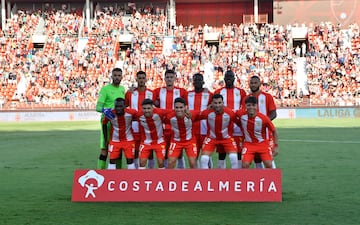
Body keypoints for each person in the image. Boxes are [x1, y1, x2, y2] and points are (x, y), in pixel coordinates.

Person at [154, 69, 188, 168]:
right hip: (163, 127)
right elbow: (151, 103)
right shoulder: (158, 91)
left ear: (175, 78)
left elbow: (186, 107)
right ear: (164, 78)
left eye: (171, 77)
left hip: (177, 126)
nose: (169, 79)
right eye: (167, 77)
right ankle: (165, 174)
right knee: (164, 151)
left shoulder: (181, 91)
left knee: (179, 152)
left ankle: (180, 173)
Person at [214, 70, 246, 168]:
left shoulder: (241, 92)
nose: (229, 79)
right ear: (224, 79)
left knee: (239, 151)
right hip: (223, 125)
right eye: (227, 77)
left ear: (234, 78)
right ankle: (221, 175)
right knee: (222, 152)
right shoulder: (218, 92)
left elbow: (243, 108)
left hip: (237, 125)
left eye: (231, 77)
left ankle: (238, 174)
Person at [235, 96, 279, 168]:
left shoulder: (263, 118)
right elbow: (230, 112)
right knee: (245, 165)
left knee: (268, 164)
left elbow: (274, 131)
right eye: (249, 105)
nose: (251, 107)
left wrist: (276, 146)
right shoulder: (241, 114)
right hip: (249, 144)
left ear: (257, 106)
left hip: (262, 144)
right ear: (245, 106)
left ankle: (268, 179)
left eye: (253, 105)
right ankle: (246, 179)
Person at [95, 68, 125, 169]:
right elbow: (98, 107)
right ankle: (100, 174)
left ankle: (118, 175)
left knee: (119, 149)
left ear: (122, 77)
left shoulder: (122, 89)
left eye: (119, 75)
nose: (117, 77)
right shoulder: (105, 89)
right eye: (115, 75)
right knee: (104, 149)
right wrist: (106, 111)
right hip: (107, 124)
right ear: (111, 76)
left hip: (119, 124)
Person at [198, 94, 239, 169]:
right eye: (215, 103)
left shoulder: (230, 113)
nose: (217, 105)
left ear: (223, 103)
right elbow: (195, 116)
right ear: (212, 104)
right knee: (204, 159)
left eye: (219, 103)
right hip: (211, 138)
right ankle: (205, 179)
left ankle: (234, 178)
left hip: (227, 138)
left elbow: (239, 122)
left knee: (233, 157)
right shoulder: (207, 113)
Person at [125, 70, 156, 168]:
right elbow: (126, 107)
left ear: (146, 79)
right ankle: (136, 173)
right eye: (140, 78)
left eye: (143, 78)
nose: (141, 80)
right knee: (136, 150)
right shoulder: (130, 93)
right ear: (136, 79)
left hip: (148, 126)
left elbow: (155, 108)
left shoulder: (152, 93)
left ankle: (150, 172)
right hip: (134, 126)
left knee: (150, 150)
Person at [247, 75, 277, 168]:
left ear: (260, 84)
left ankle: (273, 179)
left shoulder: (267, 97)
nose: (253, 85)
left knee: (268, 158)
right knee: (257, 159)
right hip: (252, 135)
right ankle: (261, 180)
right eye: (251, 83)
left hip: (266, 134)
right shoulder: (246, 98)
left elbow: (274, 113)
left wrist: (264, 122)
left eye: (255, 83)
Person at [102, 98, 137, 169]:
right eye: (116, 106)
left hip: (128, 140)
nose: (118, 108)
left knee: (130, 160)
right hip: (115, 141)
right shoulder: (110, 113)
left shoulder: (131, 113)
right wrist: (106, 139)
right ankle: (112, 178)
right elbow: (104, 124)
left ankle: (132, 178)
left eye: (120, 106)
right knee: (112, 160)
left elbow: (138, 120)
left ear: (124, 106)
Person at [187, 73, 213, 168]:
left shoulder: (209, 95)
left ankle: (209, 176)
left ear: (203, 82)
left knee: (206, 157)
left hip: (206, 131)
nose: (197, 82)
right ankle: (196, 176)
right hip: (192, 131)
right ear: (193, 82)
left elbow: (215, 106)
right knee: (194, 157)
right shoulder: (188, 94)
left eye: (199, 80)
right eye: (195, 80)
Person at [163, 97, 197, 169]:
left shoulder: (192, 114)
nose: (179, 110)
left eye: (181, 107)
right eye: (176, 107)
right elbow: (160, 114)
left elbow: (204, 114)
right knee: (171, 162)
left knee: (193, 163)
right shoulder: (169, 116)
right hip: (176, 141)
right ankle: (170, 179)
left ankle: (196, 179)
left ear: (185, 107)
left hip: (190, 141)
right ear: (174, 107)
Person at [137, 99, 168, 169]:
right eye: (144, 108)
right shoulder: (139, 114)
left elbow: (172, 112)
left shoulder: (160, 112)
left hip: (159, 141)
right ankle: (142, 179)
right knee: (142, 162)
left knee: (161, 163)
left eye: (148, 108)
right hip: (145, 142)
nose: (146, 110)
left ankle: (162, 179)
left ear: (153, 108)